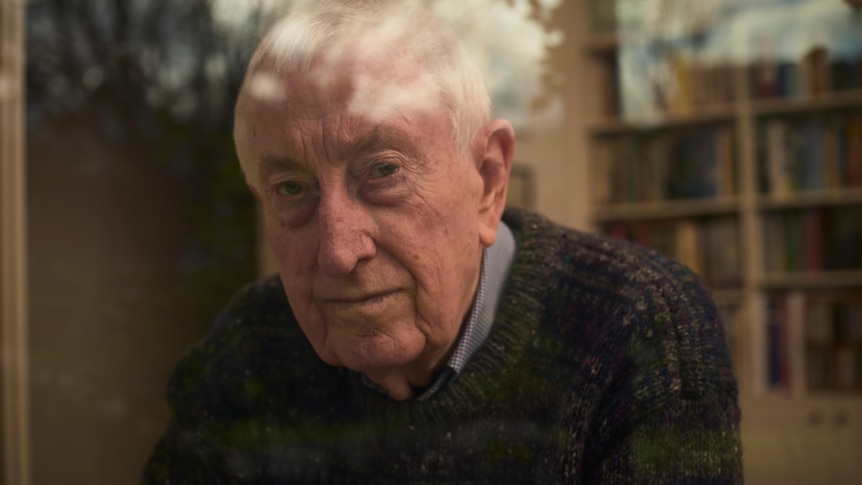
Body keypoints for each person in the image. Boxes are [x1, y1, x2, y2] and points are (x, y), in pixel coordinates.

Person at [142, 0, 743, 483]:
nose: (337, 251)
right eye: (292, 188)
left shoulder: (640, 326)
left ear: (487, 182)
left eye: (382, 172)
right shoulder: (248, 345)